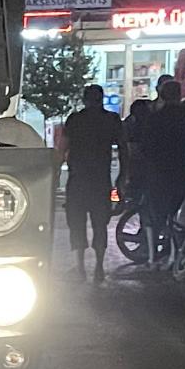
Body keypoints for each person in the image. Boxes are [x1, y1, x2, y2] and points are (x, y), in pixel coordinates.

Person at [131, 76, 185, 267]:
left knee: (156, 217)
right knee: (177, 217)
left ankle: (154, 257)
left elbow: (145, 147)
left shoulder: (155, 119)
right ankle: (174, 255)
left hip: (158, 175)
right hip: (181, 174)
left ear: (161, 95)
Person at [58, 84, 121, 285]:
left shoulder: (75, 120)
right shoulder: (111, 120)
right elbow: (124, 149)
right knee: (100, 223)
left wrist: (55, 172)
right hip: (100, 180)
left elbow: (62, 149)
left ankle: (80, 267)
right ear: (101, 99)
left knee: (76, 223)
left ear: (84, 100)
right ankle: (99, 267)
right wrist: (123, 177)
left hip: (78, 180)